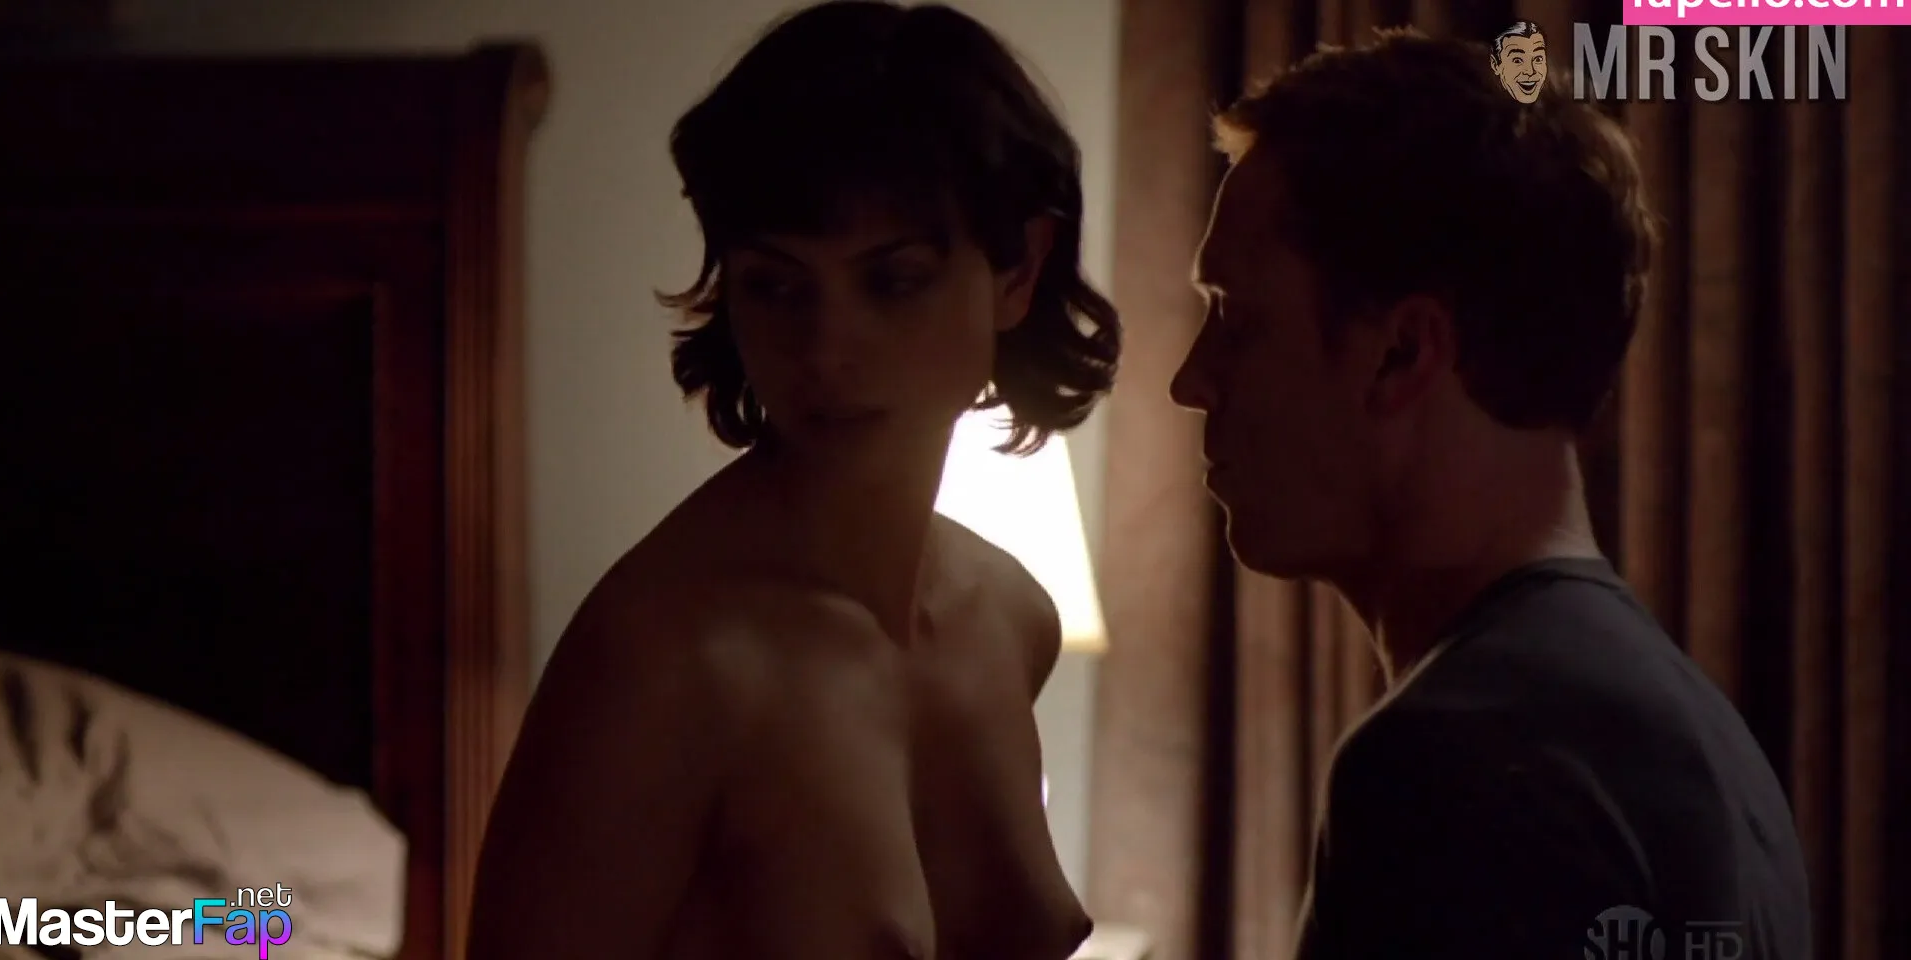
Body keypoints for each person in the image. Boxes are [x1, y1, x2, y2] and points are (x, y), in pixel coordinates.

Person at [466, 3, 1118, 960]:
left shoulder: (1012, 617)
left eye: (892, 281)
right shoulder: (669, 663)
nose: (825, 350)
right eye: (776, 287)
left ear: (1018, 271)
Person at [1170, 29, 1810, 960]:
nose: (1191, 381)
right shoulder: (1716, 749)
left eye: (1235, 317)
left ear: (1402, 354)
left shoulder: (1447, 761)